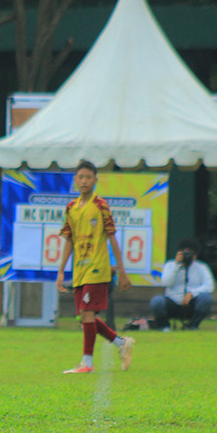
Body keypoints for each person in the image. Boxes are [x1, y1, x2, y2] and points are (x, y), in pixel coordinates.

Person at [55, 160, 135, 374]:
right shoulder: (71, 208)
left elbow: (112, 239)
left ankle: (87, 363)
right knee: (84, 318)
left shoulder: (101, 206)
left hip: (97, 269)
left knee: (86, 314)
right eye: (80, 177)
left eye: (88, 177)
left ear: (95, 180)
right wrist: (62, 270)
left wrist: (122, 271)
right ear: (75, 180)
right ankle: (121, 343)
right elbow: (69, 240)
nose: (83, 181)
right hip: (79, 271)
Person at [150, 238, 215, 330]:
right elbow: (165, 282)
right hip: (173, 302)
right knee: (157, 301)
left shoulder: (201, 267)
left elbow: (210, 286)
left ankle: (192, 325)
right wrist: (176, 266)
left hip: (192, 304)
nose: (187, 256)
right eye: (185, 253)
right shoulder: (170, 265)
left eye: (190, 254)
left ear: (195, 255)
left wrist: (192, 293)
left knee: (206, 298)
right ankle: (164, 326)